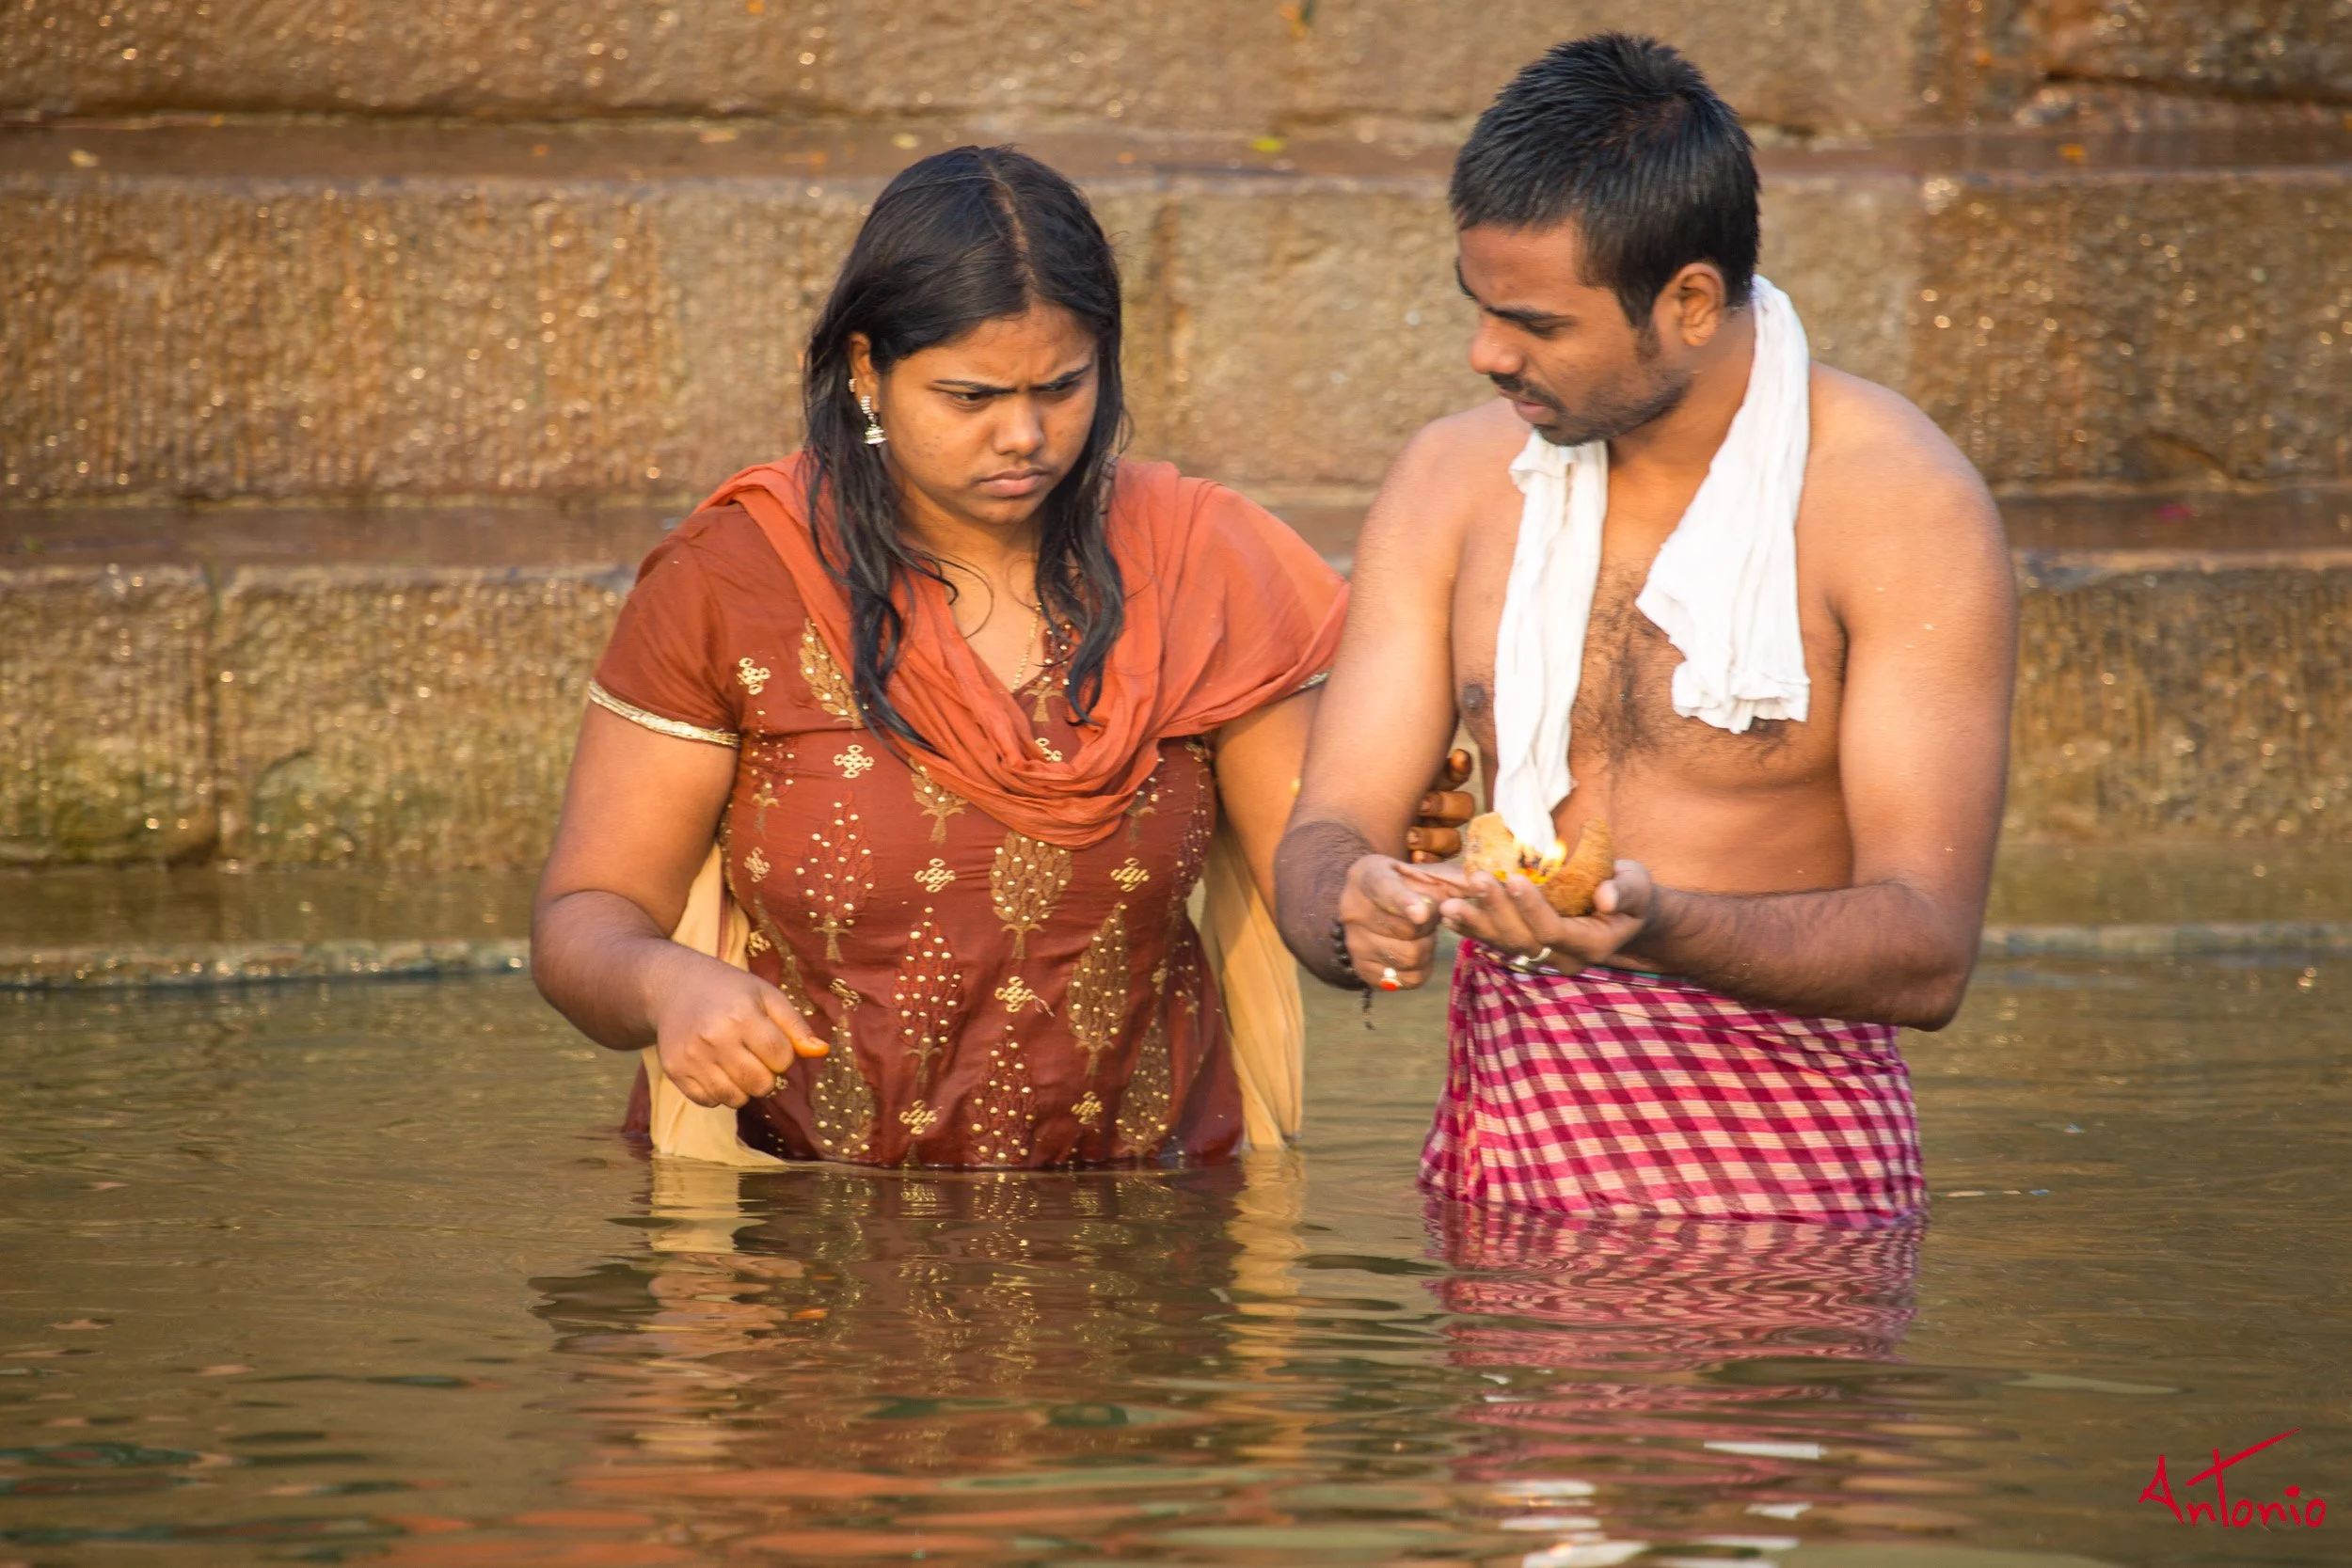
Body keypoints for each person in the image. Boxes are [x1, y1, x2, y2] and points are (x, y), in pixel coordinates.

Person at [533, 146, 1464, 1171]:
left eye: (1062, 387)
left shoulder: (1197, 565)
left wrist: (1368, 906)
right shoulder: (735, 579)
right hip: (800, 1216)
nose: (1025, 435)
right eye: (970, 397)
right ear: (865, 371)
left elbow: (1312, 872)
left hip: (1142, 1212)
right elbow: (586, 914)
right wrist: (666, 984)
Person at [1275, 35, 2016, 1223]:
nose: (1485, 353)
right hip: (1498, 1183)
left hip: (1788, 1206)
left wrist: (1651, 925)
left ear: (1689, 302)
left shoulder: (1897, 504)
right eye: (1478, 307)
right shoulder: (1450, 480)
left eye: (1535, 324)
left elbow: (1927, 951)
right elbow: (1328, 826)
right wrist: (1347, 904)